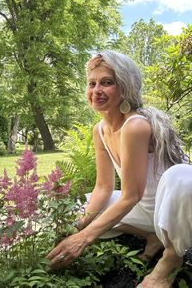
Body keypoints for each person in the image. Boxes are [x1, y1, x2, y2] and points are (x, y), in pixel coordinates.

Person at [47, 50, 192, 288]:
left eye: (107, 83)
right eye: (91, 83)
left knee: (182, 177)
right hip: (147, 215)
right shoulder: (100, 130)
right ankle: (152, 237)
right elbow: (103, 187)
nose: (96, 90)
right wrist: (72, 230)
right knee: (79, 209)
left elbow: (130, 196)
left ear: (125, 87)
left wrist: (83, 238)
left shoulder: (136, 125)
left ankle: (169, 263)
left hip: (176, 213)